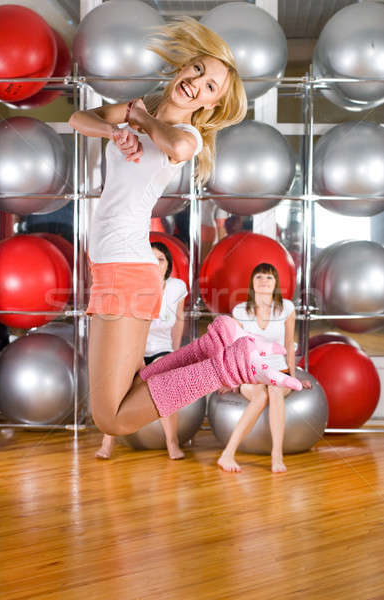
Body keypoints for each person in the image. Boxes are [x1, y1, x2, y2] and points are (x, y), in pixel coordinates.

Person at [69, 17, 301, 439]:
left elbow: (174, 147)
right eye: (198, 70)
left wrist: (140, 120)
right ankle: (209, 351)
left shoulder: (188, 133)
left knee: (111, 418)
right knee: (128, 392)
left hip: (126, 269)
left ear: (210, 105)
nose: (198, 83)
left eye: (210, 86)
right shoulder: (137, 110)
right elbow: (77, 118)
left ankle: (225, 366)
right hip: (110, 267)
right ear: (182, 67)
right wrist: (114, 129)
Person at [95, 242, 187, 460]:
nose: (156, 263)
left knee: (162, 381)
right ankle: (107, 442)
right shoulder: (133, 287)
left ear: (168, 264)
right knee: (119, 386)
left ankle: (172, 443)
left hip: (162, 349)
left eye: (161, 259)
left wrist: (176, 352)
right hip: (132, 350)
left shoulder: (177, 287)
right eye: (151, 259)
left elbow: (179, 321)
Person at [217, 263, 311, 474]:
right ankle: (227, 454)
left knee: (276, 390)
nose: (264, 282)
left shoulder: (286, 308)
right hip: (252, 371)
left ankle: (276, 454)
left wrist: (294, 378)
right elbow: (235, 348)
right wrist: (231, 379)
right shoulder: (240, 311)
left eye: (269, 278)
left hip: (279, 371)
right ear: (252, 282)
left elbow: (288, 344)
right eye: (259, 277)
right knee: (260, 397)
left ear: (276, 283)